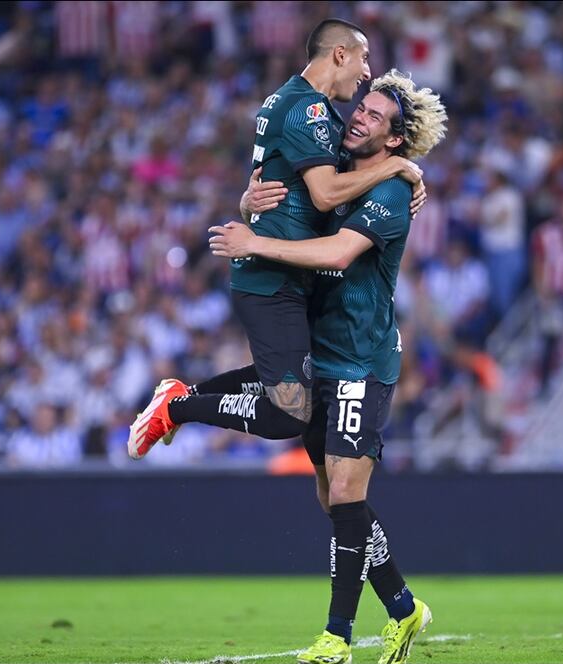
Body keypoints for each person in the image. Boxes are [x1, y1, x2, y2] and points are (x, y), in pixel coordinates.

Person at [209, 69, 447, 664]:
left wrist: (255, 244)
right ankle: (403, 606)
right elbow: (291, 200)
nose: (357, 116)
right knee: (332, 498)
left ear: (394, 140)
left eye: (373, 115)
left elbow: (339, 251)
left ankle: (336, 637)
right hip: (321, 352)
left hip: (362, 362)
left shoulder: (389, 193)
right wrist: (249, 201)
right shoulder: (337, 176)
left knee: (345, 490)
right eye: (359, 106)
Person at [127, 18, 425, 459]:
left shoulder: (287, 100)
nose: (366, 72)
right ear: (340, 55)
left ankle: (178, 397)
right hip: (271, 278)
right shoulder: (311, 111)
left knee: (291, 381)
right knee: (288, 414)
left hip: (278, 276)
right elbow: (324, 195)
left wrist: (249, 204)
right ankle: (178, 407)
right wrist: (398, 166)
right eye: (363, 58)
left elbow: (273, 184)